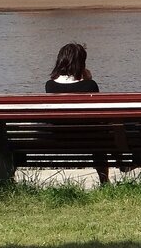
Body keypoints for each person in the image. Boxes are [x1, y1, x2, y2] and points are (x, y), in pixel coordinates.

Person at [45, 42, 107, 183]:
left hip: (59, 138)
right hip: (89, 138)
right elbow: (98, 114)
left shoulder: (50, 85)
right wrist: (89, 79)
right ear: (81, 64)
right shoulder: (90, 85)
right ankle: (104, 180)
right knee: (102, 134)